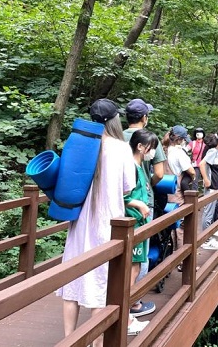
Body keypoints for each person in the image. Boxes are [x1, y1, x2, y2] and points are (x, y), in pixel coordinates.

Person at [56, 99, 148, 342]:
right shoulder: (120, 148)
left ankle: (69, 340)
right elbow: (127, 186)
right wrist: (133, 201)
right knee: (103, 282)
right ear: (115, 120)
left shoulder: (78, 144)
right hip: (109, 223)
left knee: (73, 279)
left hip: (79, 224)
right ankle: (96, 341)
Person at [123, 98, 163, 318]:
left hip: (119, 213)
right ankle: (133, 303)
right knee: (139, 257)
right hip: (139, 210)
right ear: (144, 117)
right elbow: (159, 173)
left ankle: (119, 300)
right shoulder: (147, 139)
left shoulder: (115, 136)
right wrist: (146, 190)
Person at [125, 129, 158, 331]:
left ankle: (126, 314)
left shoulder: (138, 166)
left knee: (135, 268)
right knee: (132, 269)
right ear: (140, 146)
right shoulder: (130, 167)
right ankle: (125, 317)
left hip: (140, 222)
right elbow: (121, 196)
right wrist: (139, 205)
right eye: (151, 148)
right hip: (133, 223)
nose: (152, 152)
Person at [164, 125, 195, 257]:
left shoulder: (164, 150)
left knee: (169, 224)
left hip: (164, 191)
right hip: (177, 192)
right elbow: (191, 170)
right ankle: (181, 258)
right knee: (180, 226)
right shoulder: (178, 153)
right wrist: (192, 177)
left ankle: (169, 255)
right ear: (180, 139)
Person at [199, 131, 218, 250]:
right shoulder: (213, 151)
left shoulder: (215, 152)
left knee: (211, 210)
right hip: (212, 187)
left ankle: (208, 236)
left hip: (215, 186)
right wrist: (206, 180)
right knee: (208, 212)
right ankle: (206, 239)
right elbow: (202, 164)